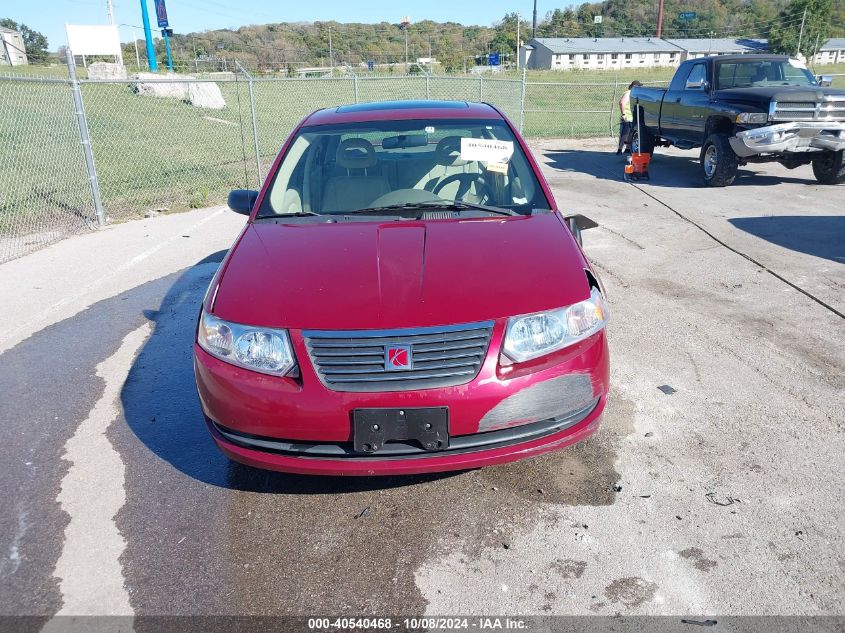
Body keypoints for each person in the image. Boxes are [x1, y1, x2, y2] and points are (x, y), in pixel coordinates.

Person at [617, 80, 642, 154]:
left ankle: (627, 149)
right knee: (625, 134)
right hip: (627, 117)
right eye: (639, 86)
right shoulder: (628, 93)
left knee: (630, 133)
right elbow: (622, 103)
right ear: (634, 87)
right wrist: (624, 114)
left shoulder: (633, 94)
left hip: (631, 117)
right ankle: (619, 149)